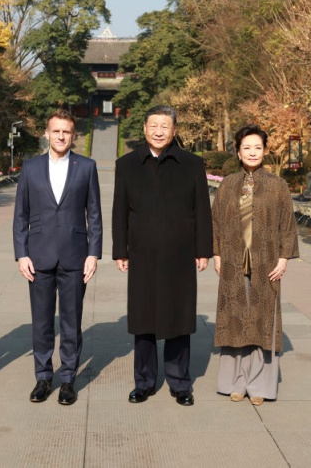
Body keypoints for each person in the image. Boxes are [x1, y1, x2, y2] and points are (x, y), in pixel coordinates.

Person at [112, 105, 213, 406]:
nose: (158, 131)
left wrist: (203, 249)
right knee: (143, 320)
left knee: (179, 317)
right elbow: (120, 211)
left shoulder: (192, 164)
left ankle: (180, 382)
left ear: (174, 130)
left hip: (180, 253)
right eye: (153, 125)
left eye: (165, 126)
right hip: (142, 253)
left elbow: (202, 210)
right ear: (144, 128)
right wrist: (120, 249)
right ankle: (143, 381)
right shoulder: (127, 164)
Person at [13, 110, 102, 405]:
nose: (61, 136)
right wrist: (21, 254)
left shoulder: (86, 167)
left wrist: (93, 253)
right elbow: (20, 216)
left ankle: (67, 379)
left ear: (73, 135)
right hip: (38, 256)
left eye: (66, 131)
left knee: (71, 321)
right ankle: (43, 377)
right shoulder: (31, 168)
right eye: (56, 131)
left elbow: (95, 215)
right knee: (41, 322)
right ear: (47, 133)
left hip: (75, 256)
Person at [211, 124, 299, 405]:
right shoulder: (228, 185)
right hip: (234, 260)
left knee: (262, 319)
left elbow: (287, 223)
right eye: (247, 147)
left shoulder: (277, 185)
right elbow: (216, 222)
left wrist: (284, 257)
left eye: (257, 148)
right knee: (235, 318)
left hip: (266, 260)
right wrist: (217, 254)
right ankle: (236, 382)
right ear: (238, 151)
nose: (252, 152)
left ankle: (259, 384)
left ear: (264, 151)